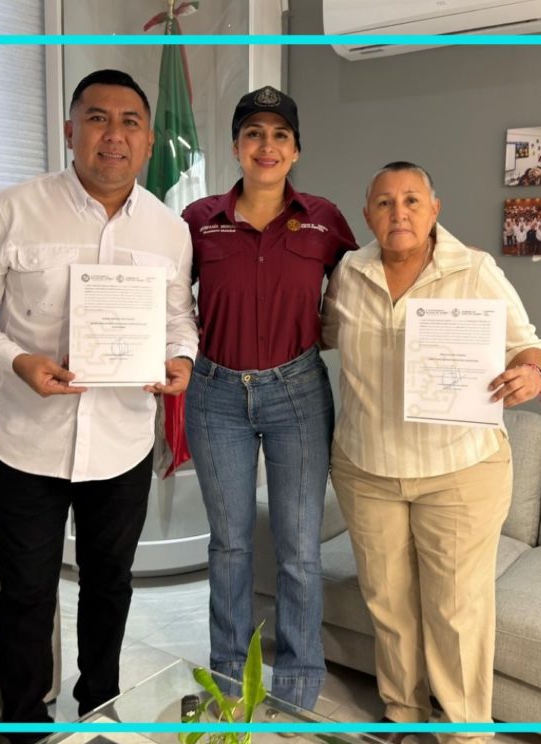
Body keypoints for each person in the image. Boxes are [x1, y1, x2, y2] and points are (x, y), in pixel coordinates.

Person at [0, 69, 198, 744]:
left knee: (110, 586)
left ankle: (100, 712)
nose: (113, 135)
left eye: (130, 122)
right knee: (27, 591)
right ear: (69, 130)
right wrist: (16, 359)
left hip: (122, 442)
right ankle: (25, 729)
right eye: (97, 118)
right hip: (26, 440)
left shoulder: (169, 230)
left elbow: (179, 319)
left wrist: (181, 359)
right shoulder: (12, 209)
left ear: (149, 141)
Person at [322, 161, 541, 744]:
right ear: (367, 214)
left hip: (459, 471)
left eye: (411, 200)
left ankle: (465, 738)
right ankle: (401, 709)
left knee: (457, 609)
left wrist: (530, 374)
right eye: (384, 202)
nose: (398, 213)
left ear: (434, 209)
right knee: (388, 601)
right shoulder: (349, 273)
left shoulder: (473, 270)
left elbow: (527, 343)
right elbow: (316, 333)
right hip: (368, 467)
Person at [181, 86, 357, 709]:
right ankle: (230, 680)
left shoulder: (325, 220)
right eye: (254, 133)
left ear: (296, 150)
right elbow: (168, 300)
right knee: (229, 545)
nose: (267, 145)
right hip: (215, 395)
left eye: (280, 135)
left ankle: (298, 683)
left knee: (299, 551)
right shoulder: (198, 220)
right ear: (235, 146)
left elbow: (362, 292)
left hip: (297, 394)